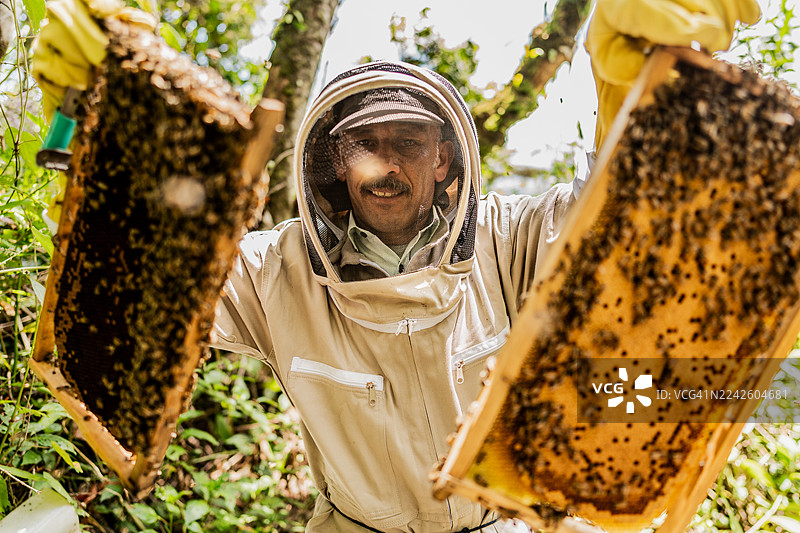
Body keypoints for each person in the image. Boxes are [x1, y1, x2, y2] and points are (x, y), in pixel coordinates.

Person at [32, 0, 759, 531]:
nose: (381, 163)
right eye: (359, 146)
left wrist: (637, 99)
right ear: (333, 167)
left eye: (406, 140)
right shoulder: (276, 271)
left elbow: (621, 225)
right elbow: (152, 275)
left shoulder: (514, 238)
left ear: (444, 157)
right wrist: (103, 128)